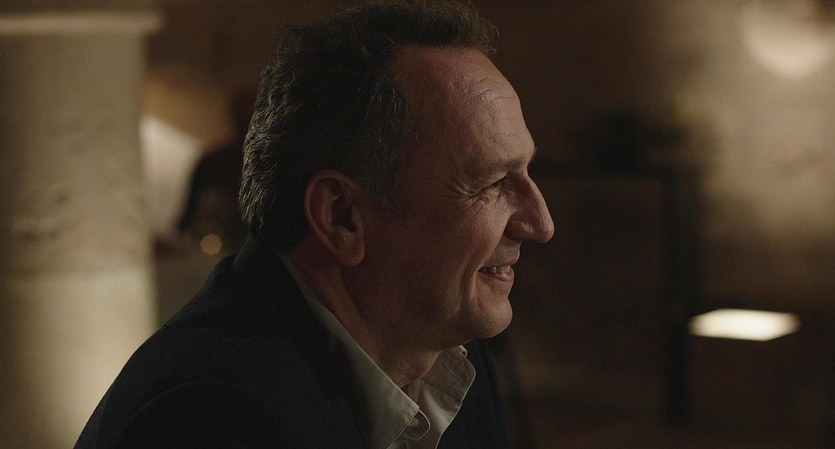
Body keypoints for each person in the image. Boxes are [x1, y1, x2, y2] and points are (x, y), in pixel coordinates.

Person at [74, 1, 554, 448]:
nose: (540, 223)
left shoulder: (448, 356)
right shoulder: (212, 418)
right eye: (491, 183)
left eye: (526, 172)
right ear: (341, 216)